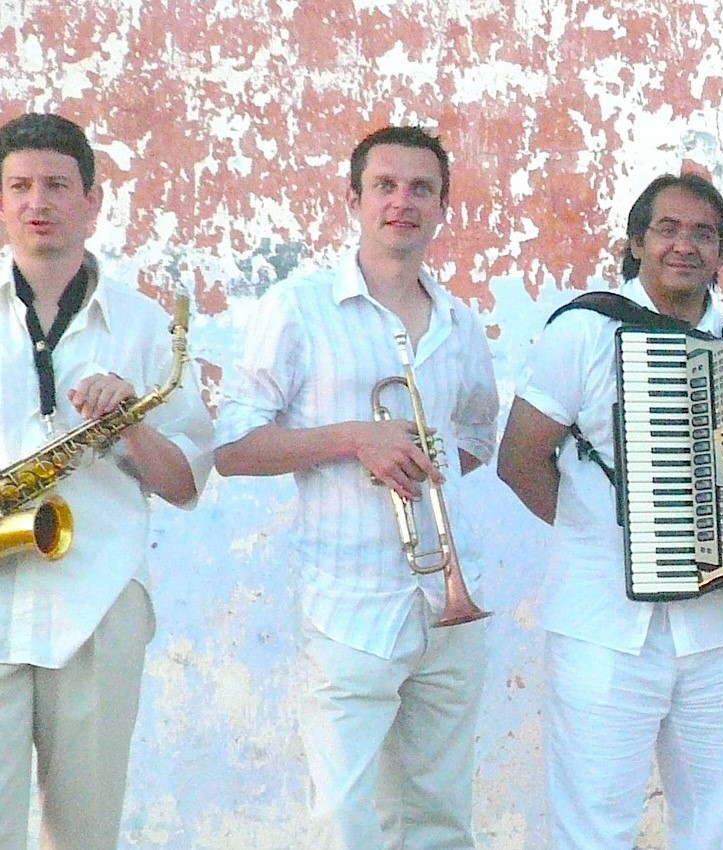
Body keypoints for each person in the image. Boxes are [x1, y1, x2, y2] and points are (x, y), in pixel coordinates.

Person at [0, 112, 212, 849]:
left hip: (99, 604)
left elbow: (185, 484)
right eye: (19, 186)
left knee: (84, 837)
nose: (37, 202)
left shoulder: (145, 326)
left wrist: (129, 423)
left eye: (56, 185)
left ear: (92, 201)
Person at [215, 125, 499, 850]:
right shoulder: (298, 307)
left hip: (448, 605)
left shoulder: (461, 323)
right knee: (344, 822)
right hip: (349, 606)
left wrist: (417, 471)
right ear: (354, 199)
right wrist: (354, 440)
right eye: (385, 186)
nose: (403, 201)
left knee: (441, 821)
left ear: (443, 208)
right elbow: (234, 448)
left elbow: (474, 438)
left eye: (422, 189)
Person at [496, 172, 723, 849]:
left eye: (703, 234)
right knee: (593, 827)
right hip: (603, 626)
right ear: (636, 242)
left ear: (721, 252)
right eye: (667, 229)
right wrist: (616, 536)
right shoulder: (584, 331)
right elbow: (519, 459)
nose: (684, 245)